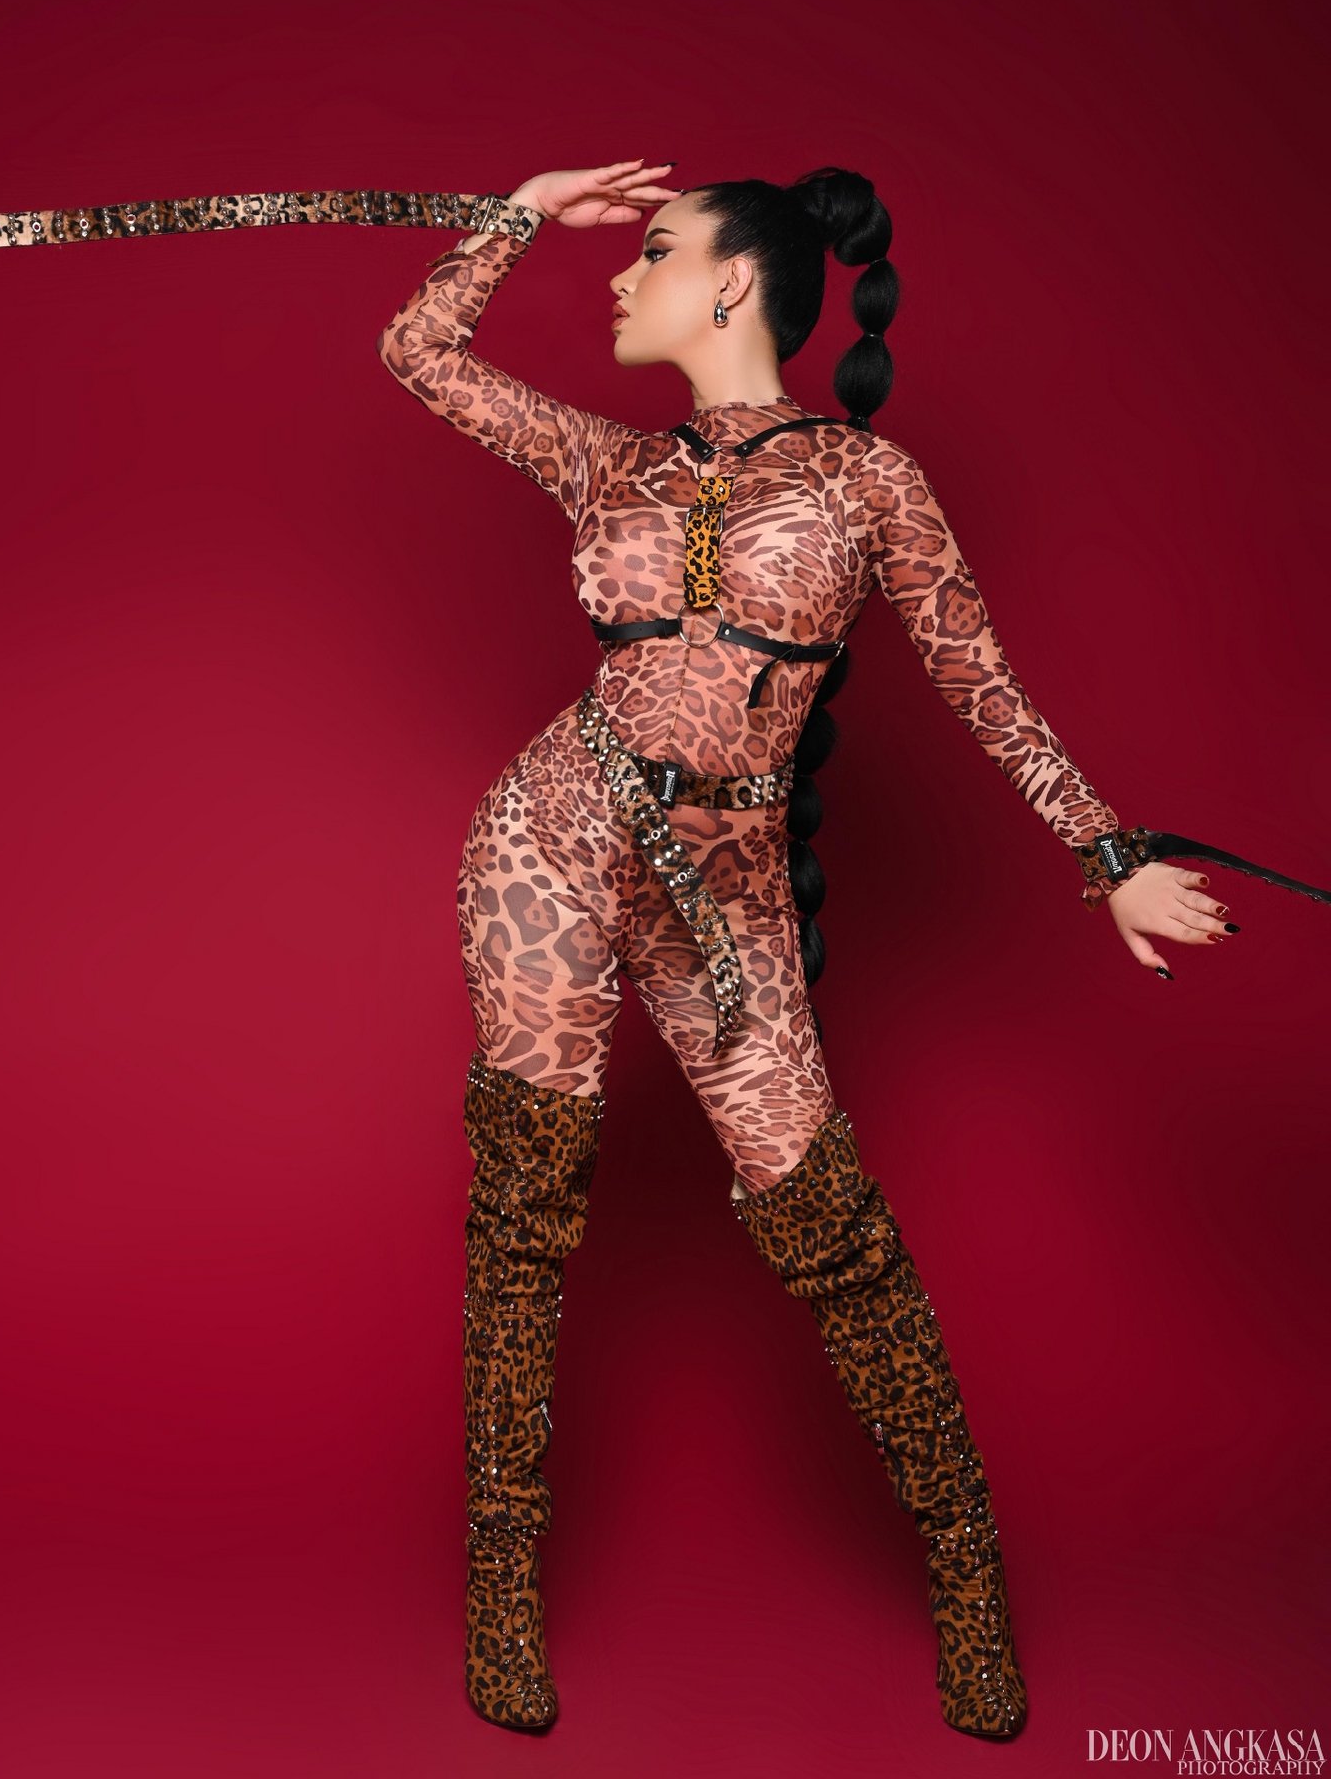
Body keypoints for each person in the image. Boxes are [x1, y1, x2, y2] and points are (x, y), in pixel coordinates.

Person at [374, 158, 1233, 1741]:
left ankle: (969, 1581)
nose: (621, 277)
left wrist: (1105, 856)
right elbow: (414, 351)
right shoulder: (603, 458)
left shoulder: (867, 482)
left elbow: (982, 680)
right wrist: (521, 209)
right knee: (525, 1211)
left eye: (651, 252)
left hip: (728, 886)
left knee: (825, 1223)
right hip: (553, 844)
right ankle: (502, 1589)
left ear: (732, 283)